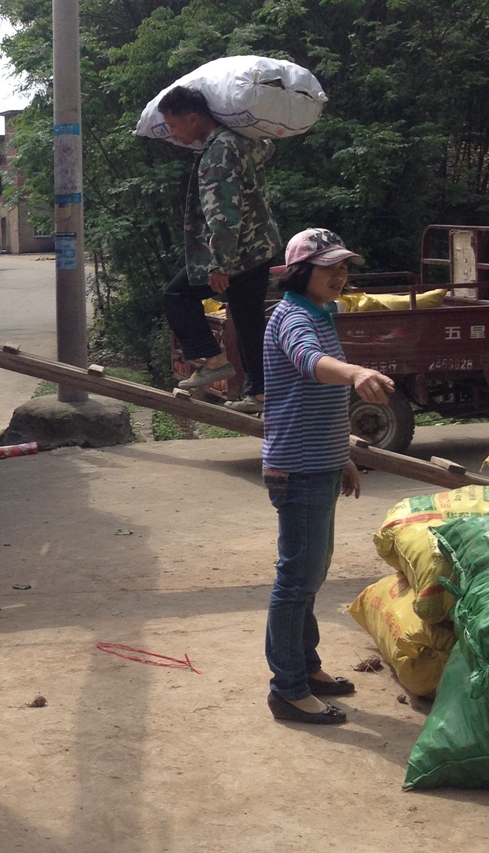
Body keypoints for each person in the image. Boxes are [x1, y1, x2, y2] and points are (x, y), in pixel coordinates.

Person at [261, 228, 396, 724]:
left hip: (318, 462)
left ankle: (307, 668)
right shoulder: (292, 316)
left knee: (309, 575)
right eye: (329, 267)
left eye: (343, 267)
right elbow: (310, 364)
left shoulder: (320, 313)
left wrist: (342, 454)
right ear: (301, 273)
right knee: (296, 579)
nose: (339, 275)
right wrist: (356, 373)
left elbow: (316, 401)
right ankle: (288, 689)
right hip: (297, 469)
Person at [158, 86, 281, 412]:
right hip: (260, 247)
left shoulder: (217, 154)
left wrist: (218, 265)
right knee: (247, 320)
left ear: (193, 117)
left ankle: (213, 360)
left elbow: (223, 215)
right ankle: (260, 394)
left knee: (176, 295)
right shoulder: (242, 141)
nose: (173, 134)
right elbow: (266, 148)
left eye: (173, 126)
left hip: (237, 255)